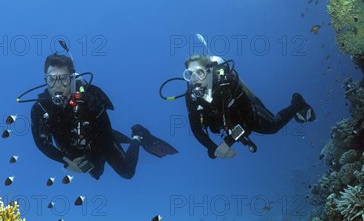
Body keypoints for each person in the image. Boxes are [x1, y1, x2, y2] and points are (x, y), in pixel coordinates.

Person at [30, 53, 177, 179]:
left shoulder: (90, 101)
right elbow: (41, 143)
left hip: (100, 138)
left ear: (72, 79)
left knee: (127, 173)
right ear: (45, 80)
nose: (57, 85)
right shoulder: (39, 109)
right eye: (51, 79)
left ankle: (137, 136)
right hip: (71, 148)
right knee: (95, 172)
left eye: (63, 78)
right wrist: (66, 161)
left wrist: (91, 158)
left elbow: (105, 135)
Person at [183, 54, 316, 159]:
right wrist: (213, 148)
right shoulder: (191, 96)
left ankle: (298, 102)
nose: (194, 79)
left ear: (210, 71)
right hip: (228, 122)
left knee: (272, 127)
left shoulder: (228, 84)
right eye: (190, 74)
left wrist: (227, 143)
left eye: (199, 72)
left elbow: (247, 123)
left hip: (248, 112)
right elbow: (196, 129)